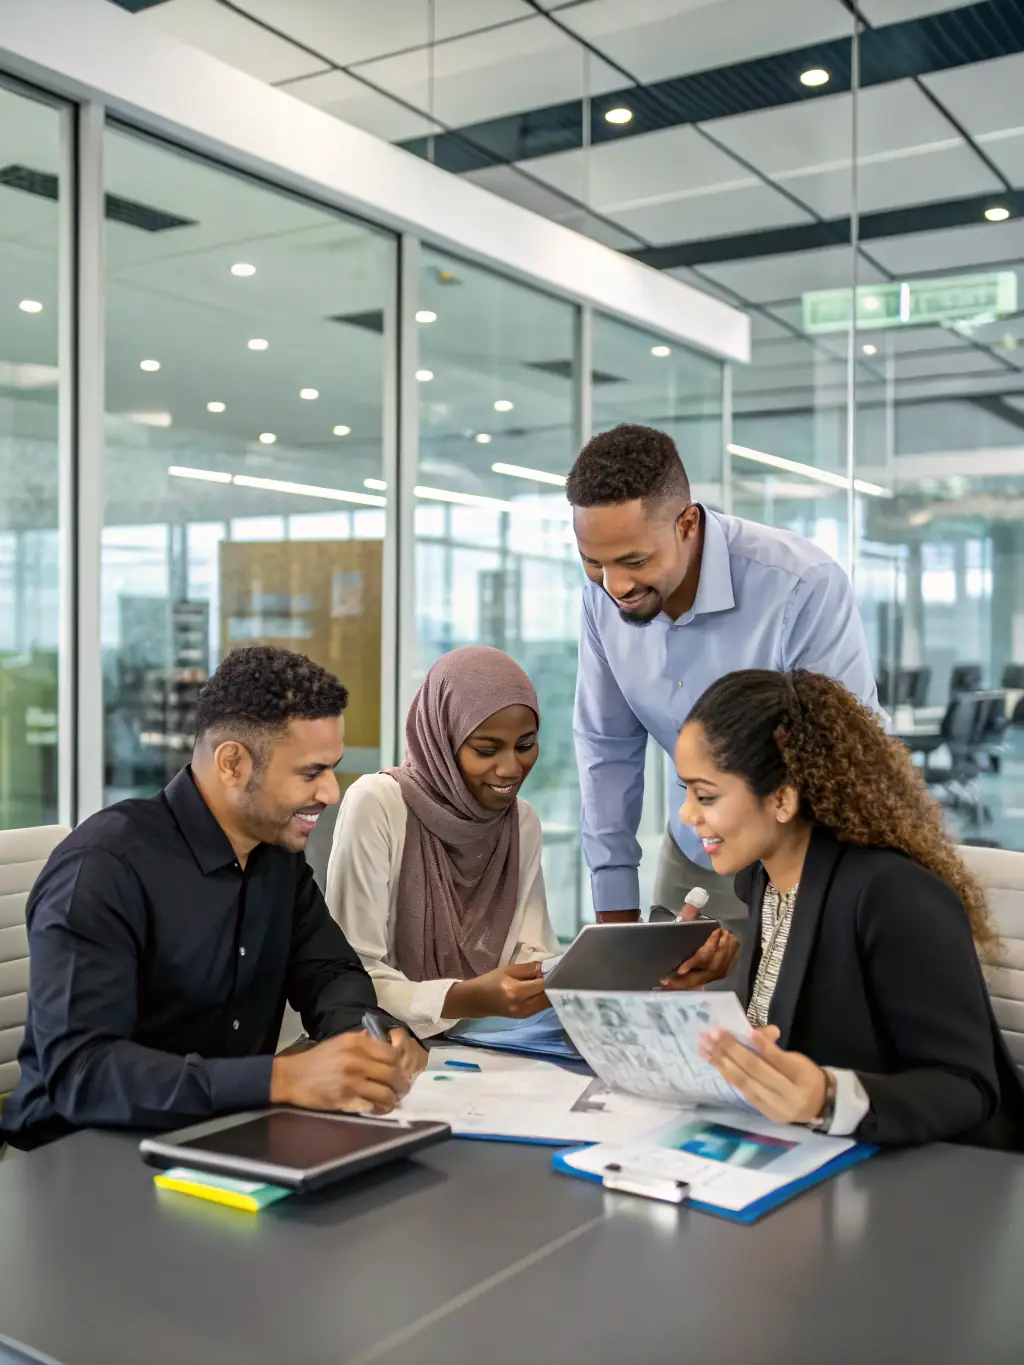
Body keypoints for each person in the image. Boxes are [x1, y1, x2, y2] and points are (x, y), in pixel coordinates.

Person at [1, 646, 426, 1151]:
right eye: (311, 773)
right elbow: (83, 1073)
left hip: (217, 1136)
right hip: (79, 1156)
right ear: (232, 763)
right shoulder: (104, 866)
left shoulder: (276, 856)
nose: (331, 793)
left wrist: (370, 1035)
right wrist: (280, 1080)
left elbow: (328, 972)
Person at [675, 667, 1024, 1148]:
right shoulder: (759, 880)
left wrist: (829, 1097)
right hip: (797, 1152)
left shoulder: (894, 895)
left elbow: (966, 1088)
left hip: (923, 1181)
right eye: (685, 792)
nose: (687, 815)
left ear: (781, 798)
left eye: (705, 795)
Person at [567, 424, 877, 935]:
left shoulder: (800, 586)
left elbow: (840, 760)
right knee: (671, 1008)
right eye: (593, 562)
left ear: (688, 524)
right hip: (695, 858)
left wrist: (791, 908)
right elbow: (607, 752)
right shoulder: (600, 600)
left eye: (634, 561)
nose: (615, 585)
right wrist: (615, 921)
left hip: (804, 862)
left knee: (785, 1014)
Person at [326, 646, 558, 1038]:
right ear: (441, 741)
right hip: (388, 1045)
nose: (510, 769)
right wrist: (462, 999)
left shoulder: (521, 822)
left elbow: (534, 954)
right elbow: (348, 976)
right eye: (486, 750)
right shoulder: (378, 804)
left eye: (525, 745)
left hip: (500, 1047)